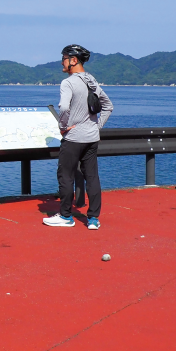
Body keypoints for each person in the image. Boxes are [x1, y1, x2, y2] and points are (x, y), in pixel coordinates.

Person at [43, 44, 113, 230]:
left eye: (64, 58)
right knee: (92, 177)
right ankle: (93, 219)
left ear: (73, 60)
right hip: (91, 138)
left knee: (65, 176)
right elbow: (108, 106)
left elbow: (64, 108)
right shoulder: (91, 80)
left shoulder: (68, 82)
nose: (62, 62)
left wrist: (63, 126)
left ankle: (66, 216)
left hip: (73, 138)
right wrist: (96, 126)